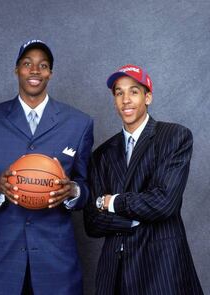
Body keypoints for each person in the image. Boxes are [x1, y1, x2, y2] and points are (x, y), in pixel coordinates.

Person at [0, 39, 94, 295]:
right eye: (27, 64)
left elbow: (87, 187)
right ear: (17, 70)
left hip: (56, 262)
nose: (35, 70)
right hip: (2, 261)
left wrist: (74, 192)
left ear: (50, 73)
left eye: (43, 65)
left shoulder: (79, 123)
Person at [84, 64, 203, 295]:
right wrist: (134, 220)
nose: (126, 99)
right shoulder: (102, 154)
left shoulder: (174, 137)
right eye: (119, 93)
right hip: (114, 273)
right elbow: (92, 222)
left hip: (161, 269)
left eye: (134, 91)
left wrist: (111, 203)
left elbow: (163, 203)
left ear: (148, 97)